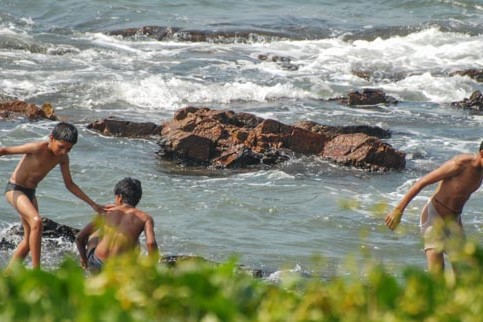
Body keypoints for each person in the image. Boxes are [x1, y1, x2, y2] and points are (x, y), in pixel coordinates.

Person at [0, 122, 104, 270]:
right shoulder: (37, 148)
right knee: (37, 222)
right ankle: (37, 271)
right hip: (15, 189)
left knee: (29, 241)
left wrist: (92, 204)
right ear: (51, 138)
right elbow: (4, 150)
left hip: (30, 193)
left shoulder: (62, 158)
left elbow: (70, 184)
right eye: (61, 147)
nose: (64, 152)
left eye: (68, 149)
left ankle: (7, 275)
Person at [385, 141, 483, 274]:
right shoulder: (461, 164)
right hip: (434, 217)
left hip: (454, 222)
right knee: (437, 273)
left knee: (464, 274)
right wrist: (398, 210)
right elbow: (423, 182)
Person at [76, 177, 159, 274]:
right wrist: (151, 268)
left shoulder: (107, 211)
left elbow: (80, 238)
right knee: (136, 242)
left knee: (96, 234)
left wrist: (84, 259)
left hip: (97, 264)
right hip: (121, 269)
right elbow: (151, 244)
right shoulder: (145, 217)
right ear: (138, 199)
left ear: (119, 197)